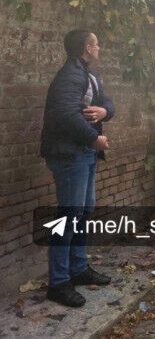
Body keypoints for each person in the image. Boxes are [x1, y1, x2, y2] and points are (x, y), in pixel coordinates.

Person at [40, 30, 114, 307]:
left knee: (84, 212)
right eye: (96, 43)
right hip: (70, 155)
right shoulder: (70, 76)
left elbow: (108, 102)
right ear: (86, 47)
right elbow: (64, 114)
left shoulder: (88, 74)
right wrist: (94, 138)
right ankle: (58, 283)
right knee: (69, 216)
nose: (100, 47)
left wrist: (105, 112)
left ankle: (78, 268)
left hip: (84, 154)